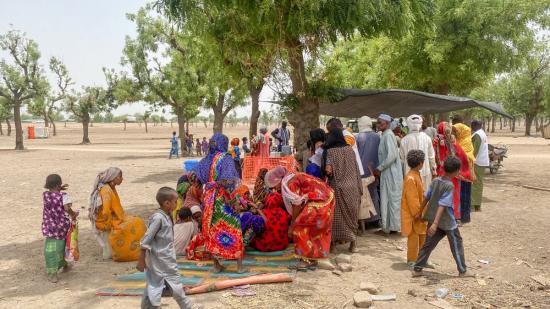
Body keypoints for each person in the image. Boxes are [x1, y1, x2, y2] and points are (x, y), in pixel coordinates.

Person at [193, 133, 246, 273]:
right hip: (224, 199)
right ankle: (239, 266)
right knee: (233, 228)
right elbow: (229, 181)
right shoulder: (226, 159)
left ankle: (216, 265)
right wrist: (234, 200)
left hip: (209, 199)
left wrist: (209, 185)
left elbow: (196, 179)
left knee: (212, 230)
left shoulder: (205, 161)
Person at [137, 187, 197, 309]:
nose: (177, 204)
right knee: (155, 285)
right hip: (158, 260)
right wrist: (141, 260)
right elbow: (146, 239)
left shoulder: (167, 215)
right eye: (175, 201)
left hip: (167, 258)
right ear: (167, 203)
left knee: (170, 286)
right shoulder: (158, 218)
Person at [264, 166, 335, 269]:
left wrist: (292, 224)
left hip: (321, 200)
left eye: (275, 185)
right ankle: (312, 258)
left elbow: (297, 205)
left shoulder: (290, 183)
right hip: (326, 196)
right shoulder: (291, 177)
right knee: (311, 229)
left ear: (278, 180)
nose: (275, 189)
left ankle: (305, 260)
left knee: (299, 226)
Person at [413, 157, 469, 277]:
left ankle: (417, 269)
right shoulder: (449, 186)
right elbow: (442, 204)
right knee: (456, 244)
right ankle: (462, 271)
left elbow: (426, 197)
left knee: (428, 245)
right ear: (455, 171)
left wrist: (420, 212)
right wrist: (435, 224)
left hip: (433, 219)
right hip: (447, 222)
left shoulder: (436, 181)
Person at [89, 167, 145, 261]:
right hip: (106, 222)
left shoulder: (109, 188)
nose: (122, 179)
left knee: (137, 221)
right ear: (112, 178)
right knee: (137, 222)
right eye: (120, 177)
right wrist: (109, 225)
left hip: (112, 219)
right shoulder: (106, 190)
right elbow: (106, 212)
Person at [322, 128, 362, 252]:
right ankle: (353, 245)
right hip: (352, 188)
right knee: (352, 216)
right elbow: (356, 169)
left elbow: (328, 170)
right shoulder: (350, 150)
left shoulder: (330, 152)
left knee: (335, 218)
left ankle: (333, 245)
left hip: (338, 189)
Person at [42, 174, 78, 283]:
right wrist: (73, 215)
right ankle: (64, 265)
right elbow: (67, 208)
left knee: (51, 250)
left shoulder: (45, 195)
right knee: (63, 247)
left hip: (49, 227)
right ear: (59, 185)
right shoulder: (63, 196)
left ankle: (53, 273)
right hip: (62, 227)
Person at [434, 122, 472, 221]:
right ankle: (453, 216)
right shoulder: (453, 144)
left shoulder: (436, 142)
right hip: (454, 174)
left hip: (442, 175)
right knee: (453, 195)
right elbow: (463, 158)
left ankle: (442, 217)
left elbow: (434, 158)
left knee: (442, 195)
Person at [374, 114, 403, 234]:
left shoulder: (389, 135)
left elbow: (391, 156)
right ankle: (387, 227)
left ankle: (393, 228)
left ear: (387, 124)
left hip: (392, 173)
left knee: (392, 200)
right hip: (387, 173)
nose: (378, 125)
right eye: (378, 123)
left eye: (380, 123)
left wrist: (379, 168)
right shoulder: (384, 135)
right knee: (387, 200)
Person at [401, 150, 428, 267]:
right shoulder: (411, 178)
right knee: (413, 238)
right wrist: (418, 213)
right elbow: (412, 199)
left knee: (423, 235)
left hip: (421, 212)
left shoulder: (416, 175)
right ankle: (412, 260)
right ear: (420, 163)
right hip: (413, 214)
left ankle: (422, 260)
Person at [356, 116, 381, 225]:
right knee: (373, 193)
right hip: (375, 170)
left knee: (362, 196)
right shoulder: (378, 137)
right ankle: (375, 219)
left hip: (361, 172)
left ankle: (364, 220)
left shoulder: (357, 137)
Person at [401, 115, 437, 191]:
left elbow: (402, 159)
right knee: (425, 195)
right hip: (425, 172)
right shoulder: (427, 138)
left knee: (412, 196)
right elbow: (431, 156)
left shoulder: (404, 140)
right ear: (420, 124)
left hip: (409, 173)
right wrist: (434, 170)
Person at [453, 122, 476, 224]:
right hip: (460, 171)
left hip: (465, 172)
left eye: (457, 131)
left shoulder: (467, 141)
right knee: (461, 194)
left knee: (464, 195)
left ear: (462, 131)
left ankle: (465, 217)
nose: (455, 133)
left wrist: (457, 151)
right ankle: (462, 216)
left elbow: (467, 155)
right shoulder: (459, 140)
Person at [470, 120, 489, 212]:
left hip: (477, 162)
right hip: (482, 161)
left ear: (475, 125)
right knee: (479, 182)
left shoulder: (477, 135)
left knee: (475, 182)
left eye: (472, 125)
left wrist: (470, 161)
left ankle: (474, 204)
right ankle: (477, 204)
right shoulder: (483, 133)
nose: (471, 127)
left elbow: (474, 150)